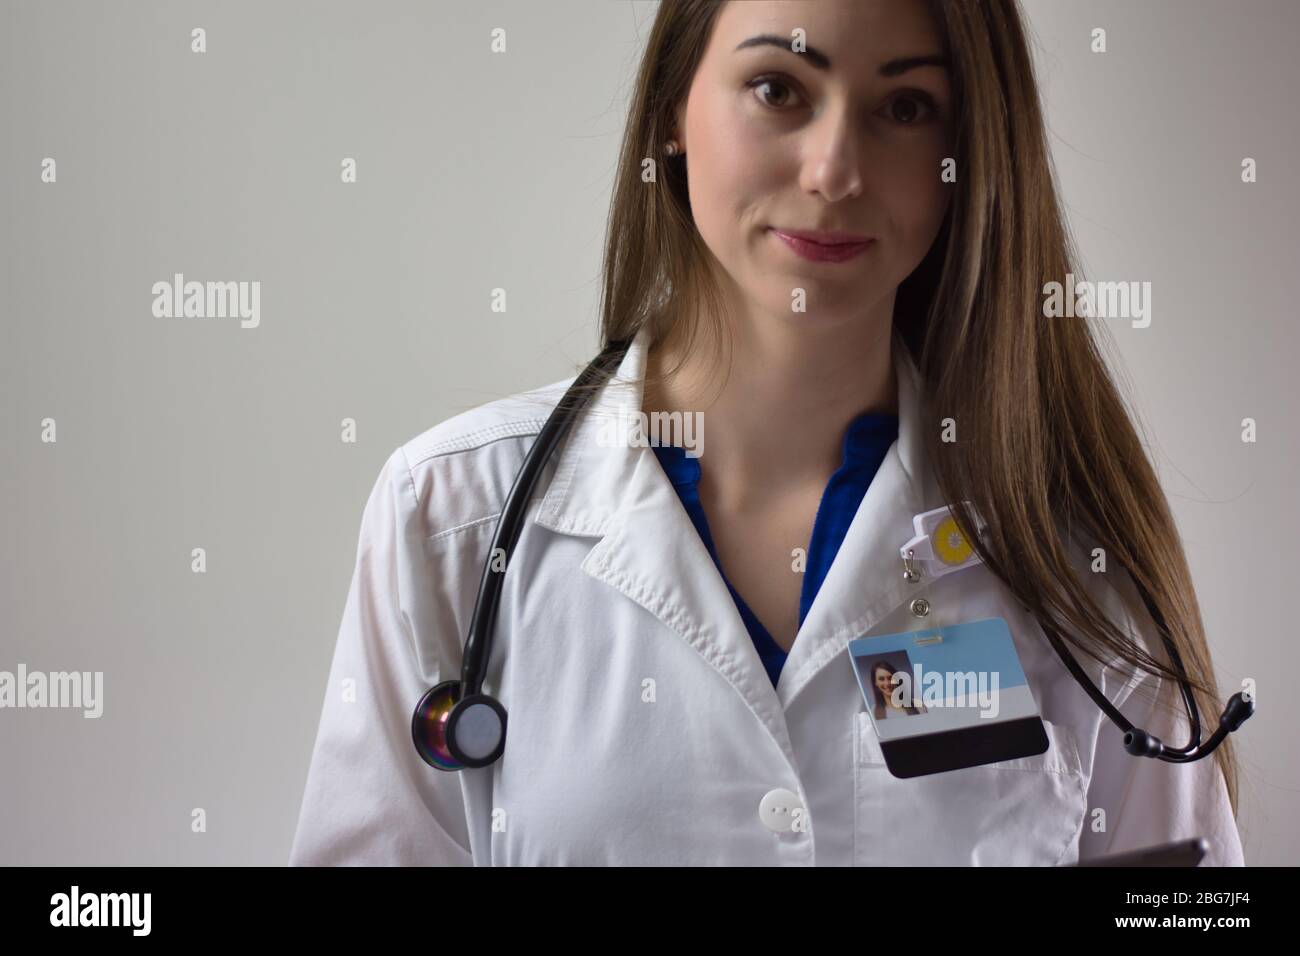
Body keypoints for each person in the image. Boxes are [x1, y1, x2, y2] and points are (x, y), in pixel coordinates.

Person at [289, 0, 1246, 866]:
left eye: (906, 108)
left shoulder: (1071, 558)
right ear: (673, 110)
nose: (835, 170)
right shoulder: (450, 516)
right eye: (778, 88)